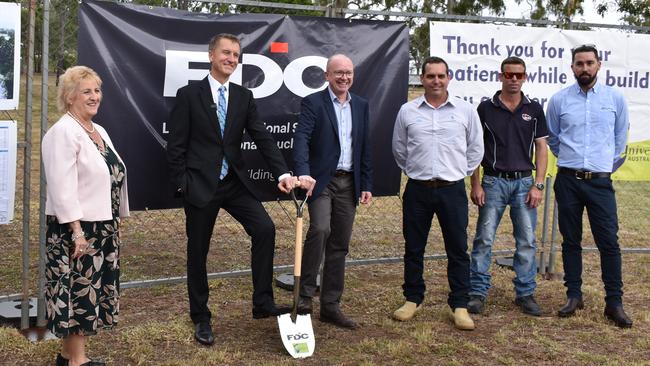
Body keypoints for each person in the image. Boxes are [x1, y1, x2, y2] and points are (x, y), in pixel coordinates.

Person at [166, 33, 297, 346]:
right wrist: (184, 183)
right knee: (198, 252)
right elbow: (176, 146)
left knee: (265, 229)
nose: (231, 59)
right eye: (226, 53)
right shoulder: (189, 94)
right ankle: (201, 316)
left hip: (234, 183)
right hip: (200, 186)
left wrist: (283, 172)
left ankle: (262, 302)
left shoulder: (243, 96)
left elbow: (263, 136)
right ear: (212, 55)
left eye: (236, 55)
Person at [42, 66, 129, 366]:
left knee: (87, 292)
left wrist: (116, 221)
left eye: (97, 90)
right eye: (87, 91)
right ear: (69, 97)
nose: (95, 97)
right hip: (76, 231)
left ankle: (67, 356)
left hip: (101, 227)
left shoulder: (97, 130)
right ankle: (78, 361)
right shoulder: (62, 133)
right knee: (78, 293)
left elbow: (112, 175)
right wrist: (77, 232)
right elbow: (61, 186)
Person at [391, 56, 483, 330]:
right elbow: (399, 149)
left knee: (457, 249)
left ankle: (459, 305)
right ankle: (413, 299)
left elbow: (476, 149)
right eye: (431, 76)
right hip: (417, 190)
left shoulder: (465, 111)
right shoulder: (407, 111)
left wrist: (457, 172)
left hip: (452, 190)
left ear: (448, 78)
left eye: (441, 76)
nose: (436, 81)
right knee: (414, 247)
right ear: (422, 78)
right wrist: (416, 170)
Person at [546, 44, 632, 328]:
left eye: (589, 63)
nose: (584, 68)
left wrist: (601, 166)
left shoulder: (615, 99)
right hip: (568, 180)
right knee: (570, 240)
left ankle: (614, 302)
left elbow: (620, 140)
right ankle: (574, 296)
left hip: (600, 183)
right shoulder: (558, 101)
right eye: (579, 63)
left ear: (599, 65)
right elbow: (554, 139)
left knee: (609, 242)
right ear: (572, 67)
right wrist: (572, 161)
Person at [292, 54, 373, 329]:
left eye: (348, 73)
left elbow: (364, 146)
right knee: (321, 229)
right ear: (327, 75)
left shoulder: (361, 105)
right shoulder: (313, 102)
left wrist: (366, 184)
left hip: (349, 183)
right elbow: (301, 138)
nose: (344, 77)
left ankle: (330, 306)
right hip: (320, 181)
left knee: (340, 243)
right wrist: (303, 173)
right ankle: (304, 297)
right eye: (338, 72)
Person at [467, 57, 548, 316]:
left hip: (525, 183)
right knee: (484, 239)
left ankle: (525, 294)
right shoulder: (485, 109)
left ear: (525, 77)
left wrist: (538, 185)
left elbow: (542, 148)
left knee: (526, 241)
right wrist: (476, 184)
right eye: (509, 75)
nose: (514, 79)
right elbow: (475, 150)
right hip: (492, 183)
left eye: (519, 75)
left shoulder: (534, 109)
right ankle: (477, 293)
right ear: (500, 76)